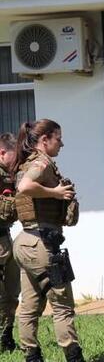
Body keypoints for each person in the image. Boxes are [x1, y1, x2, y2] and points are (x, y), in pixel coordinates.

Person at [12, 120, 83, 362]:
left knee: (29, 307)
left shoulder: (25, 162)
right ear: (45, 140)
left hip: (25, 242)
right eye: (58, 138)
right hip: (42, 244)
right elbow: (25, 186)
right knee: (62, 305)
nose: (61, 143)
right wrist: (57, 193)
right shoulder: (41, 163)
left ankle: (31, 357)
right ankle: (73, 357)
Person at [0, 134, 19, 352]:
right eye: (13, 158)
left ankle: (6, 337)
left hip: (6, 237)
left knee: (12, 292)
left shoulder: (11, 174)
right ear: (2, 152)